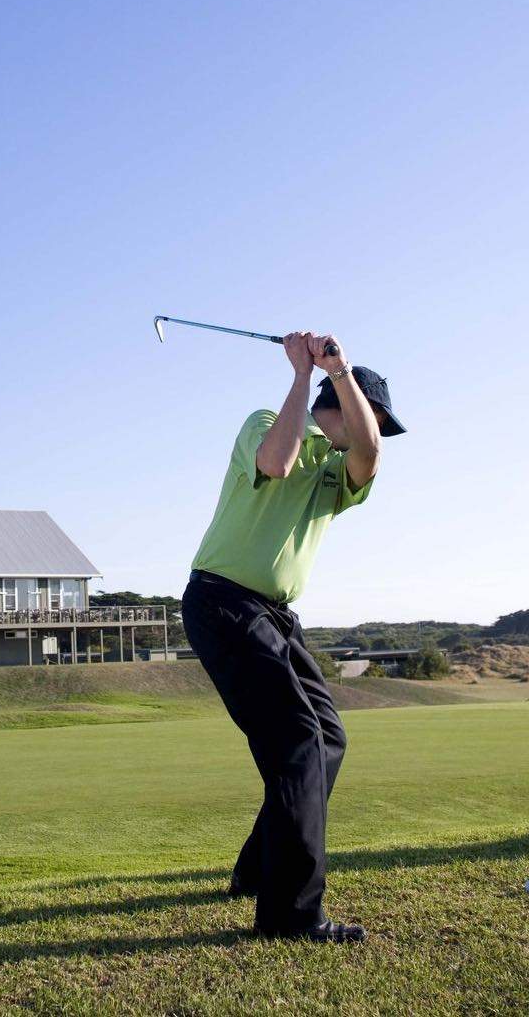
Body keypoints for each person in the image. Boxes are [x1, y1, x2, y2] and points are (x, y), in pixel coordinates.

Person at [181, 330, 404, 944]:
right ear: (339, 406)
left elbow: (369, 453)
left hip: (276, 614)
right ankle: (291, 915)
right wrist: (305, 374)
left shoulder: (340, 469)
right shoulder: (266, 423)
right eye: (372, 416)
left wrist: (341, 369)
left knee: (327, 738)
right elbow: (276, 463)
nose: (375, 431)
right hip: (223, 601)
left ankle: (258, 870)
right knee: (298, 740)